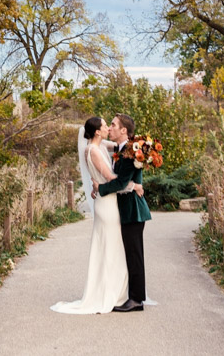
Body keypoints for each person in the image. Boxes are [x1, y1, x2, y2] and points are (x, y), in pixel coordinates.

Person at [50, 116, 143, 314]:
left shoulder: (103, 146)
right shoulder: (92, 150)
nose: (109, 128)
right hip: (107, 204)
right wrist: (134, 185)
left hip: (109, 201)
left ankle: (119, 292)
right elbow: (111, 178)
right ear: (98, 132)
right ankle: (108, 292)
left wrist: (142, 147)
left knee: (114, 248)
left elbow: (121, 146)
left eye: (112, 125)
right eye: (105, 125)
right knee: (110, 248)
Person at [96, 113, 152, 312]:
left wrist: (98, 189)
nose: (109, 128)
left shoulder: (130, 152)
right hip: (126, 209)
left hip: (133, 211)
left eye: (113, 125)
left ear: (123, 130)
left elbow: (120, 182)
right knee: (130, 254)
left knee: (134, 255)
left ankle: (136, 299)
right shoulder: (122, 149)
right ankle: (132, 295)